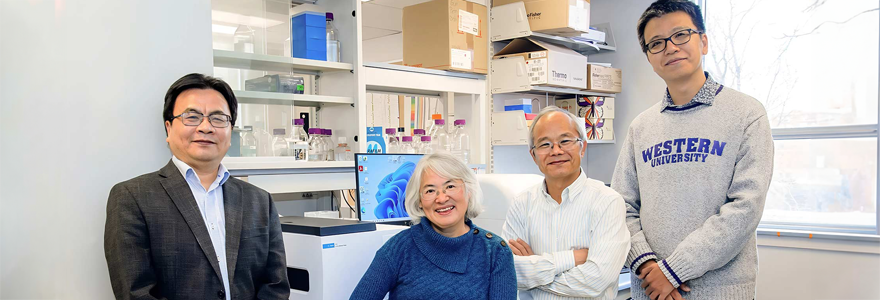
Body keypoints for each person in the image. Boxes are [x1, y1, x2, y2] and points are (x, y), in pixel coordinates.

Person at [612, 1, 774, 299]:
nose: (670, 48)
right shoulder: (641, 127)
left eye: (681, 35)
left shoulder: (746, 114)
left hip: (721, 291)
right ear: (649, 57)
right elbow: (620, 206)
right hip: (650, 290)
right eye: (657, 43)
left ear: (704, 41)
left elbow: (745, 208)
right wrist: (648, 266)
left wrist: (673, 271)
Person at [104, 73, 290, 300]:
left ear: (230, 131)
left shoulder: (260, 201)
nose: (206, 127)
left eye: (218, 118)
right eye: (192, 117)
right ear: (169, 128)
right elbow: (135, 293)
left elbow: (276, 286)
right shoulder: (132, 198)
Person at [502, 106, 630, 300]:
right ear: (533, 155)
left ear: (583, 147)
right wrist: (572, 258)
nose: (556, 151)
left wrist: (533, 270)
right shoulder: (521, 204)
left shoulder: (607, 202)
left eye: (565, 141)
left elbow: (596, 281)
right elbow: (508, 272)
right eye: (545, 144)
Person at [350, 152, 517, 300]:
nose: (442, 198)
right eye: (430, 191)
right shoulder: (399, 248)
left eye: (450, 186)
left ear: (469, 191)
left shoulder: (495, 252)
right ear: (420, 201)